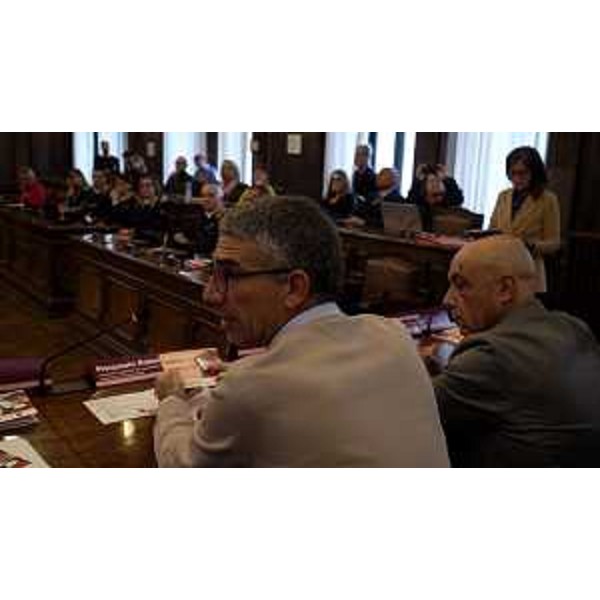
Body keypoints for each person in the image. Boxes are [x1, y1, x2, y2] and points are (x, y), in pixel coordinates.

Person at [154, 196, 449, 468]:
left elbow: (182, 465)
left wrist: (171, 401)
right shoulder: (394, 337)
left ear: (294, 288)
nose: (210, 294)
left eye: (228, 275)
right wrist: (251, 369)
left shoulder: (249, 387)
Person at [434, 235, 600, 468]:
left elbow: (412, 406)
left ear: (505, 290)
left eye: (462, 285)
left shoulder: (491, 355)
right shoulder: (573, 327)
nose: (447, 299)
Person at [490, 146, 561, 293]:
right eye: (512, 173)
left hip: (529, 269)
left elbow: (554, 243)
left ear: (534, 172)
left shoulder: (548, 199)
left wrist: (530, 245)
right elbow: (492, 230)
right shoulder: (503, 196)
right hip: (501, 267)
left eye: (522, 173)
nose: (517, 179)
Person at [407, 164, 465, 232]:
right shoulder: (419, 201)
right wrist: (418, 180)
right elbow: (410, 201)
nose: (435, 184)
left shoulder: (450, 200)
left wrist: (447, 178)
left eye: (438, 180)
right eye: (431, 181)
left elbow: (458, 198)